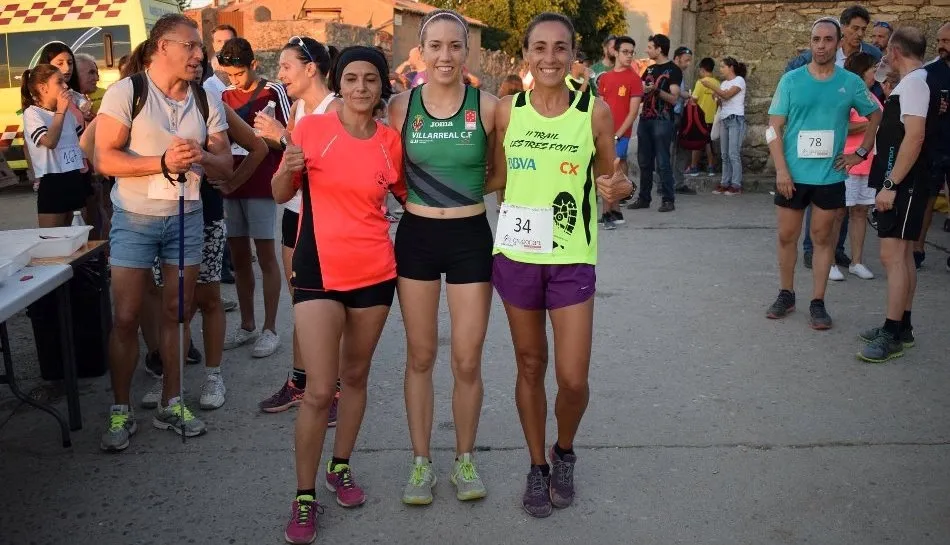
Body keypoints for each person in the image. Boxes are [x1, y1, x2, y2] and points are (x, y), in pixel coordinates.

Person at [484, 12, 633, 518]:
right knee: (530, 364)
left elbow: (614, 183)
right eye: (540, 48)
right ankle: (536, 465)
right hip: (517, 257)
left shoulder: (594, 113)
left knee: (572, 378)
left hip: (571, 258)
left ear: (573, 54)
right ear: (526, 54)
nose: (550, 58)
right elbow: (494, 177)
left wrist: (620, 189)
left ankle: (563, 451)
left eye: (560, 48)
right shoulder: (507, 111)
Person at [276, 46, 404, 544]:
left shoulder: (390, 142)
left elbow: (410, 197)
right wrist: (286, 168)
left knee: (354, 377)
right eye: (351, 78)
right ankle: (304, 495)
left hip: (375, 273)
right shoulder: (310, 129)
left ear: (381, 86)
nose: (360, 87)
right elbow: (280, 192)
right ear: (339, 83)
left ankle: (340, 466)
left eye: (370, 79)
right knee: (318, 388)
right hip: (318, 272)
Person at [94, 14, 233, 451]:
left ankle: (172, 403)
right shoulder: (128, 91)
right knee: (126, 316)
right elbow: (104, 158)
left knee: (178, 312)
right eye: (190, 46)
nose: (199, 55)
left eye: (200, 48)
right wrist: (160, 163)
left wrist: (201, 157)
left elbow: (226, 165)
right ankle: (121, 409)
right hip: (135, 217)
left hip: (186, 216)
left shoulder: (204, 98)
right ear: (162, 47)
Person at [384, 8, 498, 506]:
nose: (445, 55)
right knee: (421, 355)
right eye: (436, 46)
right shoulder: (400, 107)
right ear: (421, 52)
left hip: (470, 236)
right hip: (418, 237)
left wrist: (460, 195)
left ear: (466, 51)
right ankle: (421, 462)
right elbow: (387, 170)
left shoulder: (489, 107)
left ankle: (465, 459)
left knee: (467, 358)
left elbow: (502, 172)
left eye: (455, 46)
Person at [139, 49, 269, 411]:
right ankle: (170, 379)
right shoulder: (145, 103)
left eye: (198, 63)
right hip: (160, 213)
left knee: (208, 297)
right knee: (171, 303)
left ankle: (213, 375)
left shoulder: (210, 103)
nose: (194, 68)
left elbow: (257, 147)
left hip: (205, 212)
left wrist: (230, 183)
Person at [764, 17, 880, 330]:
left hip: (829, 176)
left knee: (822, 239)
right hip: (792, 176)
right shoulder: (791, 80)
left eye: (828, 39)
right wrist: (781, 170)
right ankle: (786, 294)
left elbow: (875, 114)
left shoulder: (850, 82)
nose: (821, 46)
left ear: (838, 43)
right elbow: (773, 128)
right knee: (786, 237)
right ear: (810, 42)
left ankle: (818, 301)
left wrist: (860, 152)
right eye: (816, 39)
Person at [254, 36, 343, 417]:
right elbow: (292, 158)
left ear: (310, 68)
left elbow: (331, 161)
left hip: (326, 217)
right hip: (295, 211)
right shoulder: (299, 107)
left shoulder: (336, 108)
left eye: (286, 67)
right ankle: (300, 382)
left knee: (328, 306)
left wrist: (281, 135)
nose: (281, 75)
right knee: (301, 302)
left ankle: (333, 389)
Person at [858, 28, 931, 363]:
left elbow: (914, 138)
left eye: (887, 50)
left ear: (896, 51)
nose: (884, 56)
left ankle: (892, 334)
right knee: (902, 256)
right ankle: (902, 327)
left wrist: (891, 185)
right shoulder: (911, 83)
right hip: (905, 184)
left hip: (904, 185)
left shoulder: (914, 84)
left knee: (893, 257)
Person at [791, 6, 882, 270]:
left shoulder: (872, 56)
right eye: (854, 28)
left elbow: (876, 100)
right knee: (817, 194)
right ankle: (812, 249)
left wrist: (862, 149)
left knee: (843, 202)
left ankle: (837, 250)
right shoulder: (812, 57)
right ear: (842, 29)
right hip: (816, 140)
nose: (859, 34)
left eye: (863, 29)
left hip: (848, 148)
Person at [217, 37, 291, 359]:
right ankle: (247, 325)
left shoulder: (273, 91)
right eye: (229, 74)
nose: (234, 80)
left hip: (261, 184)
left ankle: (270, 328)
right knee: (239, 257)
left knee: (265, 256)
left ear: (254, 65)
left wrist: (261, 138)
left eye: (239, 73)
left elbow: (288, 138)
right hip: (231, 183)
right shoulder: (223, 96)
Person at [21, 65, 90, 228]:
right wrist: (60, 111)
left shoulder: (68, 114)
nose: (65, 86)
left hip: (74, 176)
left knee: (81, 235)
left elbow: (84, 141)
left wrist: (90, 118)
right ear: (43, 88)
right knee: (53, 239)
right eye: (59, 82)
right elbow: (50, 142)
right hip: (52, 180)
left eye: (64, 81)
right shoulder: (32, 113)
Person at [628, 34, 682, 213]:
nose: (646, 50)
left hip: (663, 120)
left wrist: (656, 90)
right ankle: (644, 198)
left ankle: (668, 200)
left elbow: (674, 99)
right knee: (644, 162)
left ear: (659, 49)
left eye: (650, 47)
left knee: (663, 162)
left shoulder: (673, 70)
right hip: (646, 119)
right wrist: (642, 90)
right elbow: (640, 90)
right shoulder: (649, 70)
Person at [840, 52, 882, 280]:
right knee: (838, 213)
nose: (876, 73)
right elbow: (842, 126)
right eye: (873, 69)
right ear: (861, 71)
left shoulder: (872, 96)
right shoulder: (847, 95)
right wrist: (871, 123)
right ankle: (830, 262)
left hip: (868, 163)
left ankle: (856, 261)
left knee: (860, 212)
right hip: (848, 161)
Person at [913, 22, 950, 270]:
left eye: (946, 41)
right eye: (939, 41)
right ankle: (917, 250)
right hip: (934, 146)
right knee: (926, 199)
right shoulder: (928, 72)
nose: (940, 46)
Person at [597, 35, 642, 228]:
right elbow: (600, 107)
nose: (629, 55)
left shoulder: (634, 79)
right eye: (625, 52)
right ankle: (615, 212)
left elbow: (633, 113)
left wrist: (617, 135)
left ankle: (607, 213)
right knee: (606, 172)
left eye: (631, 52)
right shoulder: (605, 78)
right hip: (603, 133)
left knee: (610, 172)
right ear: (615, 52)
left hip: (620, 135)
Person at [705, 57, 747, 195]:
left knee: (733, 154)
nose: (720, 69)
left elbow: (727, 95)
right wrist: (717, 96)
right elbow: (720, 100)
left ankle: (736, 185)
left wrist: (712, 87)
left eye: (723, 66)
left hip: (735, 119)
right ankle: (725, 182)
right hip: (724, 119)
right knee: (724, 154)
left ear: (731, 68)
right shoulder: (723, 83)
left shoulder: (739, 80)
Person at [687, 57, 719, 178]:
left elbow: (694, 99)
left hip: (699, 118)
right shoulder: (717, 83)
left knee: (697, 142)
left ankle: (693, 166)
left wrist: (689, 98)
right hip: (712, 118)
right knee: (708, 142)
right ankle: (711, 167)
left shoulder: (700, 82)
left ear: (702, 69)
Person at [671, 46, 696, 195]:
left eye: (689, 61)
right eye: (686, 60)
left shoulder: (680, 73)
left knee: (682, 149)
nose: (688, 64)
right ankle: (665, 183)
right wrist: (685, 94)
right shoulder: (670, 71)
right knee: (668, 150)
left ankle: (678, 182)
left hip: (680, 115)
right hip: (670, 115)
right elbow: (674, 91)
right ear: (677, 58)